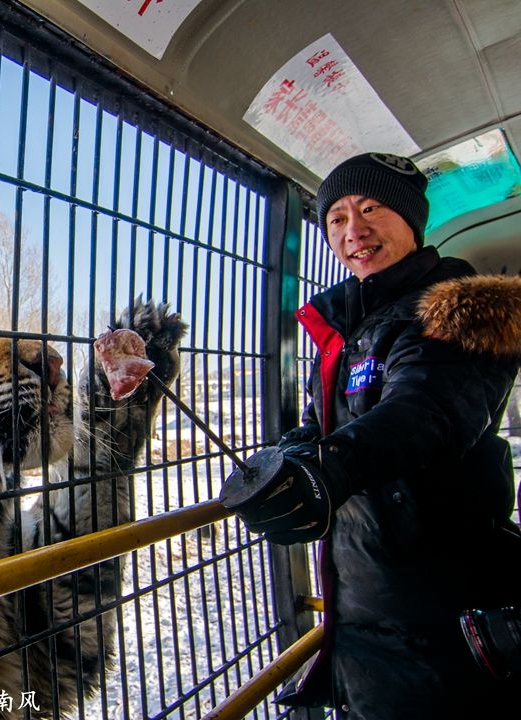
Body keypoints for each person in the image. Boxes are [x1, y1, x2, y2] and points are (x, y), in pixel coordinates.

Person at [221, 152, 521, 719]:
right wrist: (293, 454)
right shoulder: (357, 325)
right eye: (336, 217)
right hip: (369, 613)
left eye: (371, 208)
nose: (353, 230)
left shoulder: (455, 308)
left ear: (411, 218)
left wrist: (327, 469)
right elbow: (341, 422)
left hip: (438, 622)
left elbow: (426, 410)